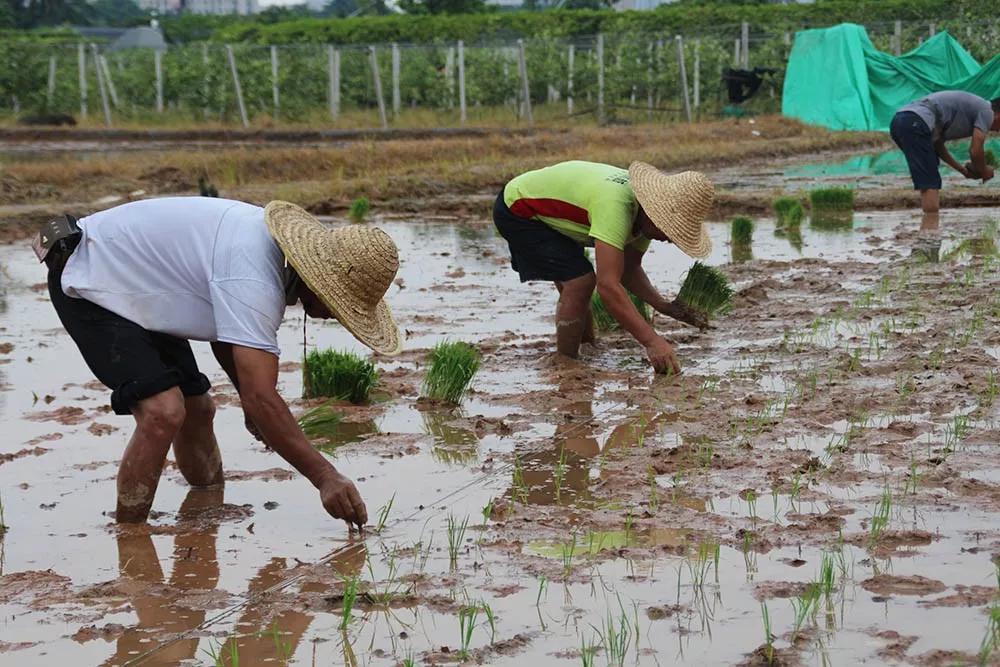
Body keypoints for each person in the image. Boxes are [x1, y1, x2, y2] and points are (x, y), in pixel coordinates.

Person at [35, 197, 403, 528]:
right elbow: (263, 397)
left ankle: (204, 508)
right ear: (318, 281)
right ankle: (131, 537)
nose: (333, 316)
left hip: (145, 283)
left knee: (198, 409)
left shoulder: (263, 256)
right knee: (163, 411)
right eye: (338, 306)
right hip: (89, 278)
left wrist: (249, 397)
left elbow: (231, 338)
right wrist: (325, 476)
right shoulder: (253, 275)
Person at [492, 160, 714, 375]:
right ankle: (566, 363)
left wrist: (665, 306)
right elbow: (608, 286)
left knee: (577, 280)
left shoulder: (643, 216)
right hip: (520, 209)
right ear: (656, 216)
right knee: (580, 282)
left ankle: (587, 347)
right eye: (670, 231)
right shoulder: (616, 206)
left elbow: (628, 270)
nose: (670, 239)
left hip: (553, 211)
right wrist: (652, 341)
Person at [890, 91, 1000, 231]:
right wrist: (984, 171)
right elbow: (975, 150)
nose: (998, 131)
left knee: (929, 171)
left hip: (902, 121)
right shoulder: (986, 111)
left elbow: (937, 145)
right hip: (915, 121)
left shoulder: (970, 112)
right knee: (930, 181)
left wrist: (963, 170)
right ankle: (929, 236)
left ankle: (928, 232)